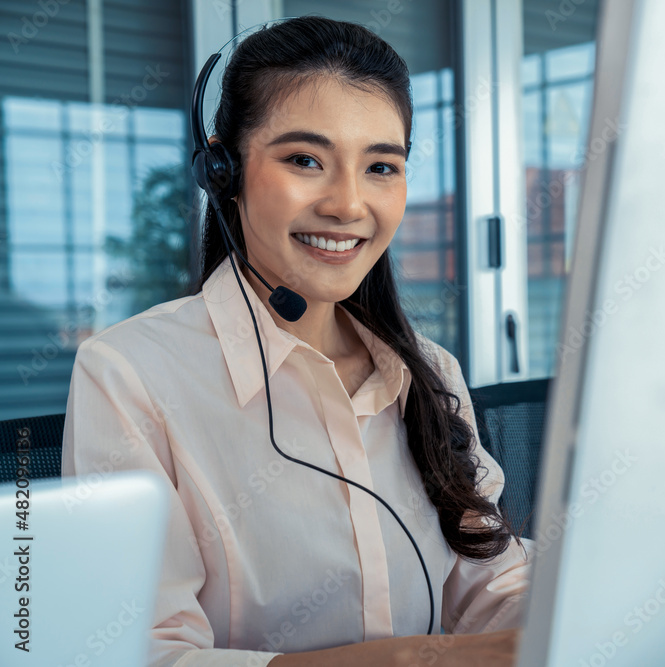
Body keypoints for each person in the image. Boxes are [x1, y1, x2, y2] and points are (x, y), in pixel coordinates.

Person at [61, 16, 532, 667]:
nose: (347, 203)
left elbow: (494, 587)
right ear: (225, 170)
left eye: (381, 166)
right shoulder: (128, 374)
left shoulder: (429, 372)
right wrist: (423, 657)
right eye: (305, 160)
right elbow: (142, 655)